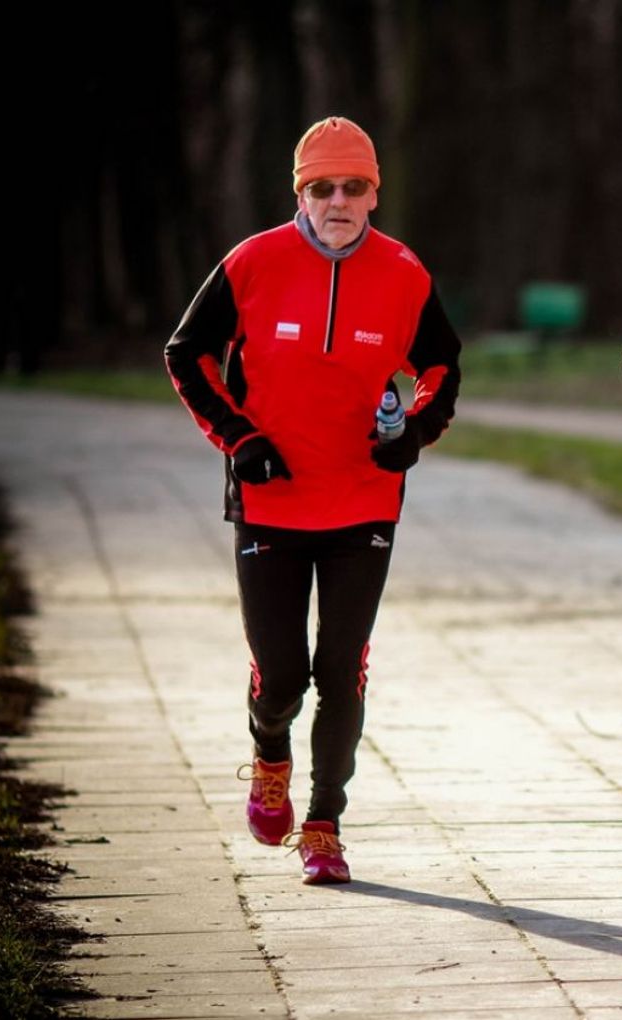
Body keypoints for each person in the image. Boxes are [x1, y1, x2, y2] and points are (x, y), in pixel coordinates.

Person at [164, 116, 461, 884]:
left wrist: (413, 433)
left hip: (364, 502)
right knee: (282, 677)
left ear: (373, 194)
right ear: (300, 193)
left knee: (341, 672)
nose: (338, 201)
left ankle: (325, 824)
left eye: (353, 187)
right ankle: (270, 755)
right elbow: (187, 353)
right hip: (270, 501)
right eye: (322, 187)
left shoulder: (403, 273)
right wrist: (238, 437)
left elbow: (441, 366)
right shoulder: (253, 262)